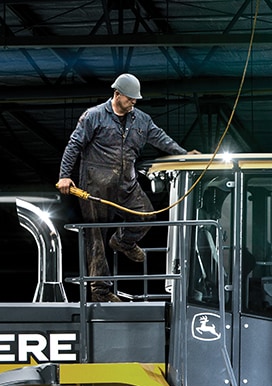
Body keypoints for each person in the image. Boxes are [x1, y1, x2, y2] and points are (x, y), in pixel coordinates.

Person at [56, 72, 198, 302]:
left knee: (146, 215)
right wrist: (64, 176)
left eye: (135, 99)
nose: (133, 102)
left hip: (126, 183)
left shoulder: (141, 119)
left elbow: (159, 138)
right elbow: (74, 145)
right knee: (96, 239)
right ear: (117, 94)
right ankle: (101, 291)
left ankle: (122, 241)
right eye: (130, 98)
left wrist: (183, 154)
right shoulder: (94, 116)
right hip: (95, 186)